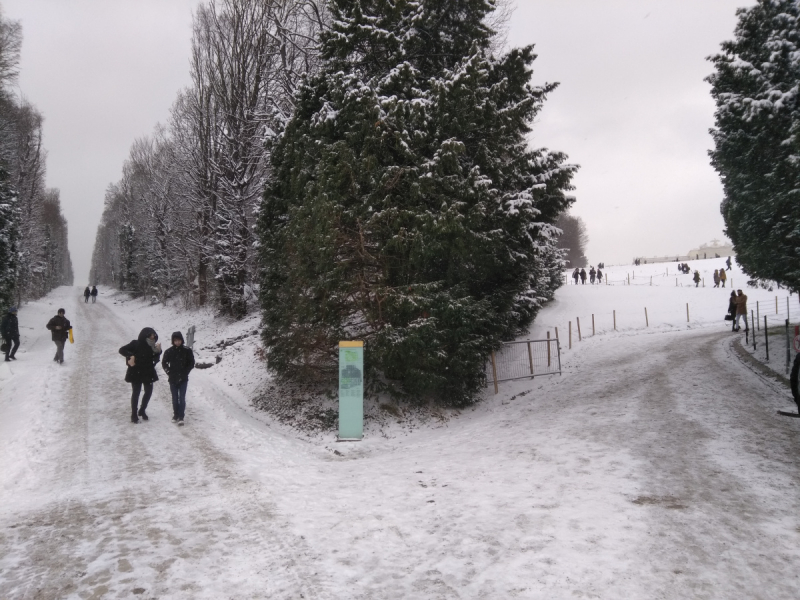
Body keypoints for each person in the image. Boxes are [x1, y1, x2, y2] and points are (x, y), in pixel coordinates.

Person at [119, 328, 162, 424]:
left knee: (148, 392)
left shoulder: (153, 346)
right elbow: (122, 350)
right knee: (136, 393)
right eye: (150, 335)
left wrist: (158, 352)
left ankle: (142, 410)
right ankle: (134, 414)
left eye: (154, 335)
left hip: (148, 371)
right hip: (136, 371)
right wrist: (131, 355)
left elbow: (155, 358)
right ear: (145, 335)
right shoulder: (135, 343)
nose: (153, 336)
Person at [162, 331, 195, 425]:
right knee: (175, 398)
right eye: (175, 340)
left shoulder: (187, 350)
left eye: (179, 340)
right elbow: (164, 363)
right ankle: (175, 414)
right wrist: (168, 372)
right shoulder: (169, 351)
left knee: (182, 397)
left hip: (183, 378)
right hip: (172, 378)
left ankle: (181, 416)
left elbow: (191, 363)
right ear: (173, 341)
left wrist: (185, 373)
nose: (177, 342)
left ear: (182, 340)